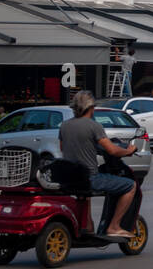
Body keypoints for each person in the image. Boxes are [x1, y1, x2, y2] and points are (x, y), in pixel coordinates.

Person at [58, 90, 138, 240]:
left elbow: (63, 147)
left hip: (70, 177)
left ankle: (87, 226)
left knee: (84, 192)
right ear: (91, 108)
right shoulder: (94, 126)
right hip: (90, 178)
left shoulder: (64, 125)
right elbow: (112, 150)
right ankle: (114, 226)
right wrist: (129, 151)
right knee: (130, 186)